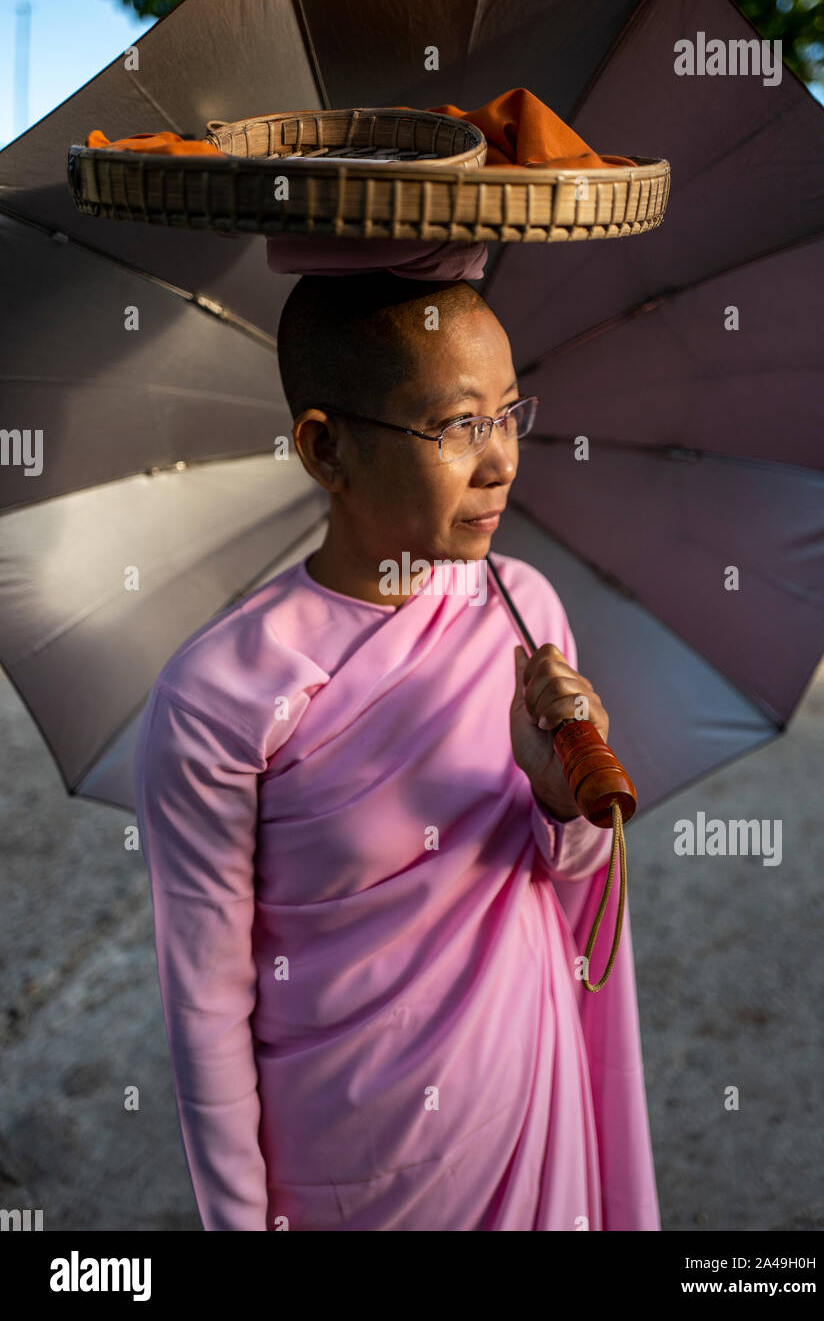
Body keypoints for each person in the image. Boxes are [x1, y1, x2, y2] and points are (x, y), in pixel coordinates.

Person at [133, 272, 660, 1231]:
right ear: (326, 449)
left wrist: (560, 802)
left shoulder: (525, 619)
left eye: (510, 415)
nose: (499, 461)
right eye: (459, 426)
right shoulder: (218, 697)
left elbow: (578, 888)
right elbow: (205, 1007)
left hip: (524, 1113)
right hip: (347, 1162)